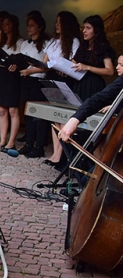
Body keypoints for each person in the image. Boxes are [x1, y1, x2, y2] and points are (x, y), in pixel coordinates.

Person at [42, 11, 82, 168]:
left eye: (60, 22)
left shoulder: (74, 41)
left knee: (63, 116)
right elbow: (44, 61)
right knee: (54, 116)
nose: (57, 25)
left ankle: (62, 155)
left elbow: (73, 61)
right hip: (50, 76)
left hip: (64, 78)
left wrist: (61, 66)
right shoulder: (52, 41)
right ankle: (55, 153)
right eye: (56, 22)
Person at [18, 14, 52, 159]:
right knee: (28, 113)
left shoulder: (47, 43)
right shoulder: (26, 43)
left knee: (38, 114)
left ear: (40, 26)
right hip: (26, 79)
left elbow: (47, 66)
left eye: (32, 25)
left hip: (39, 80)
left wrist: (31, 70)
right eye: (28, 25)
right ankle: (29, 143)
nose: (29, 28)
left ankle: (39, 145)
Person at [0, 14, 24, 155]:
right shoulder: (0, 41)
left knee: (13, 110)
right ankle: (3, 140)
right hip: (2, 75)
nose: (4, 27)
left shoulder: (21, 42)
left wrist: (16, 64)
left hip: (13, 76)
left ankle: (12, 141)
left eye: (7, 24)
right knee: (2, 110)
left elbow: (23, 59)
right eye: (3, 24)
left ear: (14, 25)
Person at [71, 15, 115, 101]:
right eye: (84, 28)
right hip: (79, 83)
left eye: (88, 28)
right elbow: (75, 61)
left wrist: (88, 67)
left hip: (93, 84)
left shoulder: (103, 47)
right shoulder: (83, 46)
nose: (84, 31)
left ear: (96, 30)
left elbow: (110, 71)